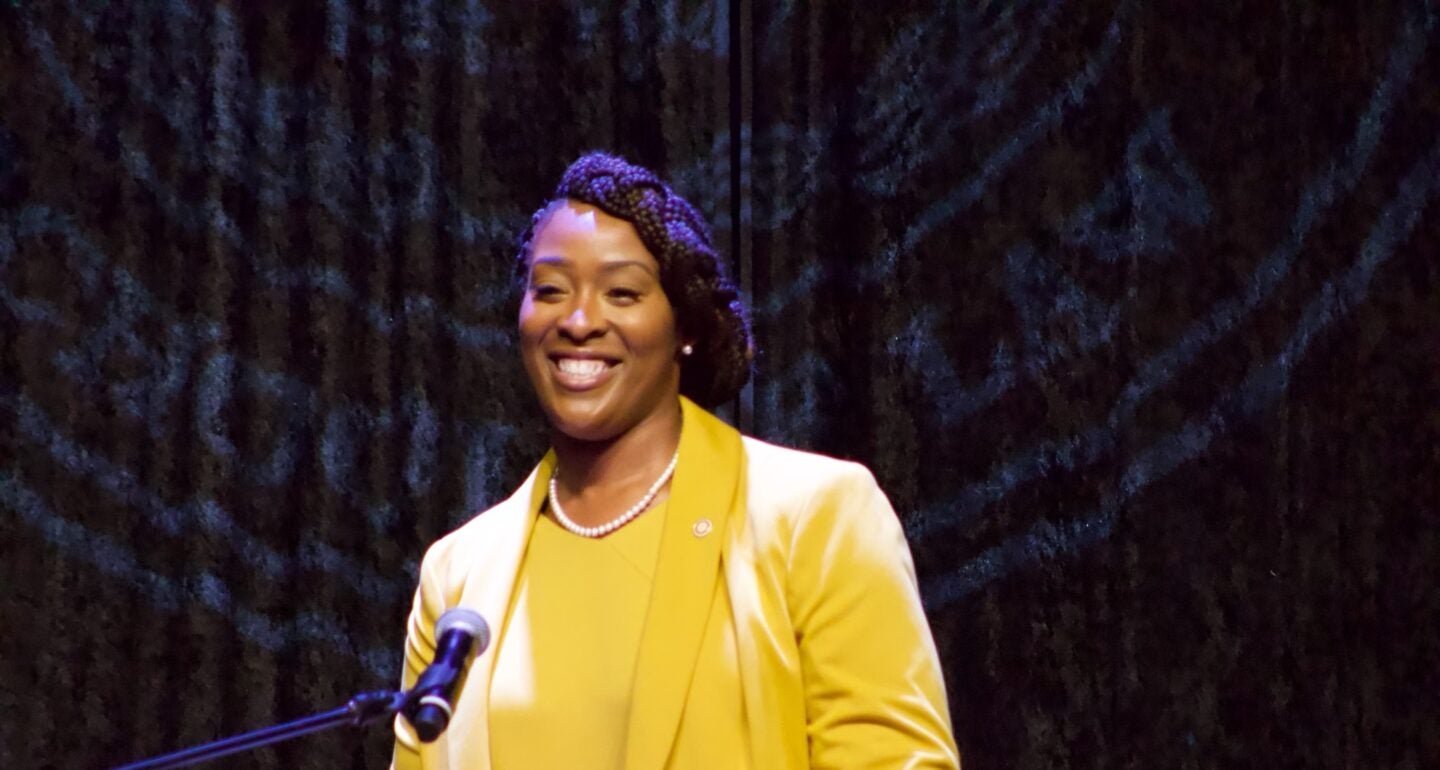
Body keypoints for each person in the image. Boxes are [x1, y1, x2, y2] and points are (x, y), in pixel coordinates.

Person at [391, 152, 959, 769]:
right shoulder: (458, 575)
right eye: (550, 290)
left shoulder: (815, 516)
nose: (579, 321)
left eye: (622, 292)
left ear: (683, 325)